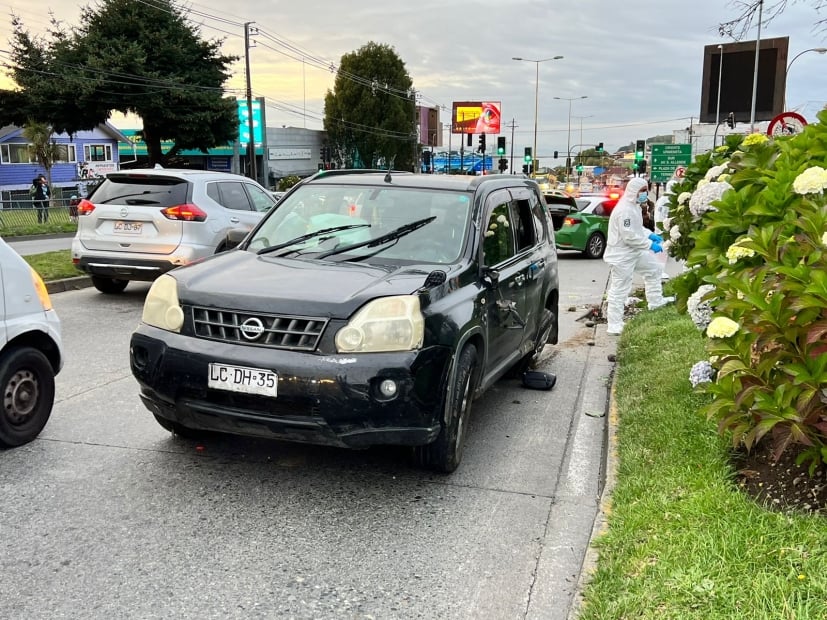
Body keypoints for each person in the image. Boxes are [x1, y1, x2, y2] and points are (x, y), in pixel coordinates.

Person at [602, 177, 673, 335]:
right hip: (621, 256)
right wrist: (649, 245)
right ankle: (614, 324)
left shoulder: (633, 206)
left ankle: (656, 301)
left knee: (654, 269)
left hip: (633, 252)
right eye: (642, 191)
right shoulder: (625, 210)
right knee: (620, 289)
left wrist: (650, 235)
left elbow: (637, 229)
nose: (644, 194)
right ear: (634, 191)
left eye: (645, 190)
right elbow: (629, 236)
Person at [654, 178, 678, 279]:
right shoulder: (666, 200)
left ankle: (659, 271)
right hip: (663, 229)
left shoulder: (663, 198)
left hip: (661, 229)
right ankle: (659, 272)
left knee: (663, 252)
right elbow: (662, 216)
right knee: (662, 252)